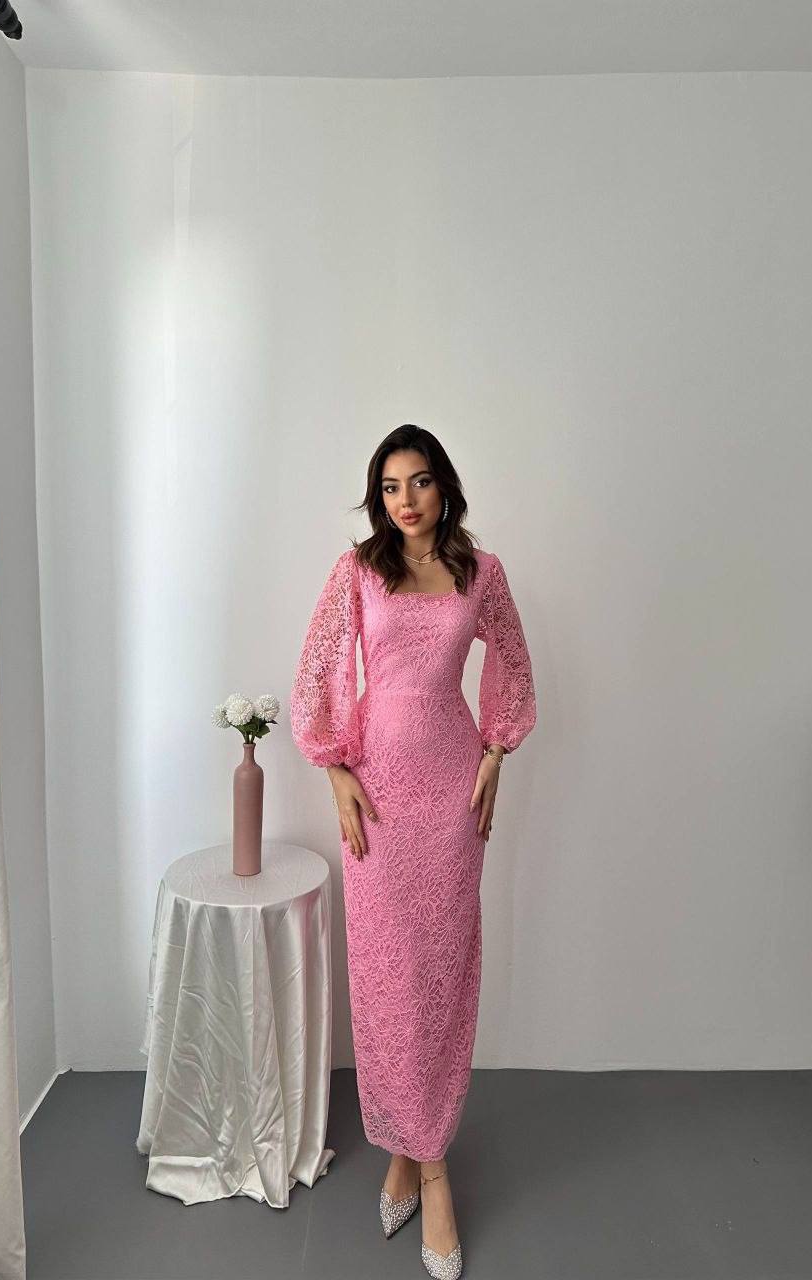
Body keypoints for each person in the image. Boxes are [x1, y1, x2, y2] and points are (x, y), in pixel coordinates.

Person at [290, 423, 537, 1280]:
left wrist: (496, 752)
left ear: (444, 487)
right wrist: (335, 772)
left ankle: (423, 1159)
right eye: (391, 486)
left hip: (450, 796)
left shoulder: (481, 573)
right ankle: (417, 1155)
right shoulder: (358, 571)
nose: (406, 500)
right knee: (389, 977)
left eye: (420, 481)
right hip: (378, 799)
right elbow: (319, 673)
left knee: (441, 971)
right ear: (378, 497)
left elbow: (512, 662)